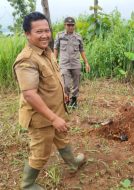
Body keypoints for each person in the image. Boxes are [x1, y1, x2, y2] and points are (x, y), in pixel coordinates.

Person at [13, 12, 85, 189]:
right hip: (41, 118)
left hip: (55, 110)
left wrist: (63, 94)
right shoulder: (27, 60)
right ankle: (27, 184)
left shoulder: (46, 52)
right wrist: (53, 118)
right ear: (27, 34)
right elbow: (30, 94)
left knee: (61, 137)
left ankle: (73, 163)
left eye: (47, 30)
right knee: (41, 151)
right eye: (39, 31)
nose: (45, 34)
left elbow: (53, 77)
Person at [54, 17, 90, 109]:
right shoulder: (59, 35)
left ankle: (74, 100)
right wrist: (54, 61)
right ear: (65, 25)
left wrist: (86, 63)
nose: (70, 27)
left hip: (75, 64)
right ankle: (66, 99)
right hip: (64, 64)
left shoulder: (78, 37)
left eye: (72, 25)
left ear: (74, 26)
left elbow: (82, 50)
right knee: (65, 84)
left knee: (76, 84)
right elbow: (56, 49)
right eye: (68, 25)